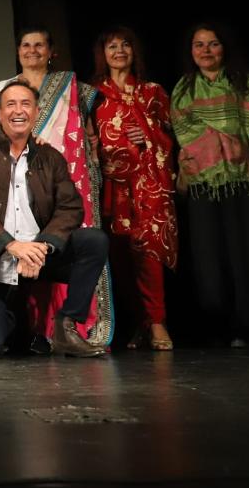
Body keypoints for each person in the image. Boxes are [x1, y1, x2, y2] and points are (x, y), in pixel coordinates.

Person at [0, 81, 109, 359]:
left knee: (93, 241)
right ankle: (14, 323)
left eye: (25, 104)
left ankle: (67, 324)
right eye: (10, 104)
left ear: (36, 112)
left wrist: (43, 246)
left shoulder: (49, 157)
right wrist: (11, 245)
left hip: (40, 257)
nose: (18, 111)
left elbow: (71, 207)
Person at [0, 27, 112, 352]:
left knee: (86, 241)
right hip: (12, 206)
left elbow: (85, 133)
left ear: (51, 51)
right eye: (26, 45)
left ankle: (67, 325)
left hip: (61, 179)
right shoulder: (4, 89)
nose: (32, 51)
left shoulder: (70, 86)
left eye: (39, 45)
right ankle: (26, 330)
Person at [171, 22, 249, 348]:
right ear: (191, 52)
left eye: (213, 44)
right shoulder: (183, 90)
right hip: (204, 182)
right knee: (210, 259)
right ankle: (217, 326)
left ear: (225, 48)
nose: (206, 51)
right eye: (199, 45)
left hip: (246, 178)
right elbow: (182, 135)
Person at [92, 27, 178, 350]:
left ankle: (157, 322)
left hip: (147, 185)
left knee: (148, 253)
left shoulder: (153, 92)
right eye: (111, 45)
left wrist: (149, 134)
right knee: (117, 256)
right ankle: (136, 323)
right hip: (109, 187)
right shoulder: (91, 94)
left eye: (125, 44)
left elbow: (171, 139)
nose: (119, 51)